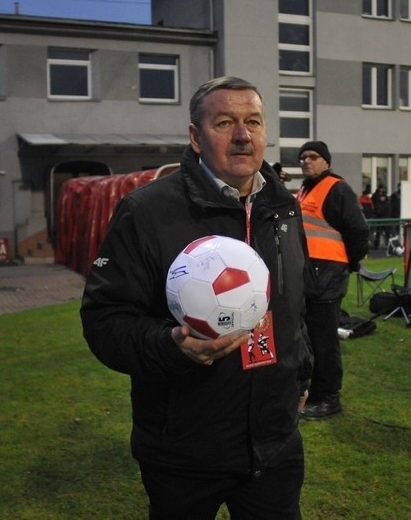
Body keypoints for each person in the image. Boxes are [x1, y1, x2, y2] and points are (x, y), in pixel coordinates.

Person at [80, 76, 312, 519]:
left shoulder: (283, 206)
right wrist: (172, 346)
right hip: (185, 450)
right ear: (195, 136)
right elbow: (104, 321)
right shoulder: (147, 211)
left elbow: (298, 302)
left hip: (274, 445)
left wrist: (302, 373)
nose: (243, 136)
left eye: (254, 122)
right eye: (225, 122)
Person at [295, 140, 369, 420]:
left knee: (324, 341)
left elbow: (358, 231)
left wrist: (348, 262)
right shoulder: (306, 189)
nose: (306, 161)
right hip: (312, 275)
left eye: (313, 157)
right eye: (302, 157)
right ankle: (314, 392)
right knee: (311, 338)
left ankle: (329, 399)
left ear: (326, 161)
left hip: (327, 275)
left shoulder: (336, 188)